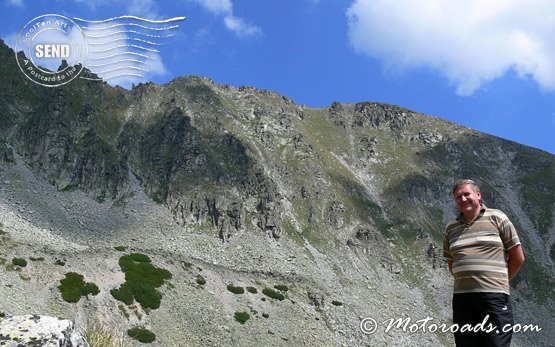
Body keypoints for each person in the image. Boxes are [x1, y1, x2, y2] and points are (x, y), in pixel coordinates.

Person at [443, 179, 525, 347]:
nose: (463, 199)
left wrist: (499, 281)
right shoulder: (450, 228)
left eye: (467, 194)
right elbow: (452, 263)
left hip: (494, 298)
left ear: (478, 195)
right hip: (462, 300)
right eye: (458, 196)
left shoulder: (497, 217)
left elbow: (518, 257)